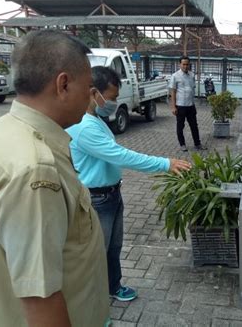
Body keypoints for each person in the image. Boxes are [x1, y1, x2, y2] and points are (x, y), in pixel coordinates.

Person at [0, 30, 110, 326]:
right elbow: (40, 297)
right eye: (87, 87)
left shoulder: (2, 129)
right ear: (63, 84)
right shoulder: (36, 168)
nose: (91, 97)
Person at [66, 66, 191, 302]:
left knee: (113, 249)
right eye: (111, 98)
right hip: (95, 200)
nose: (113, 102)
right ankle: (92, 304)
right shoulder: (83, 126)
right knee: (95, 254)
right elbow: (120, 155)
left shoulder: (96, 119)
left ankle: (113, 287)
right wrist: (165, 163)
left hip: (111, 195)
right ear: (94, 93)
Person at [169, 55, 207, 152]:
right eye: (184, 64)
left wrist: (194, 103)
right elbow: (172, 91)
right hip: (180, 106)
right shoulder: (175, 76)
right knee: (180, 126)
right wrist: (173, 106)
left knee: (194, 126)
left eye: (187, 64)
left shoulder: (192, 75)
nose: (186, 66)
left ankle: (197, 144)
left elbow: (192, 89)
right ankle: (182, 144)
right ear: (180, 64)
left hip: (190, 106)